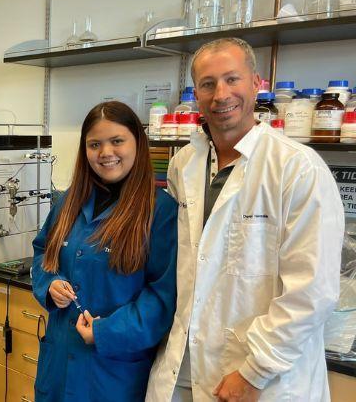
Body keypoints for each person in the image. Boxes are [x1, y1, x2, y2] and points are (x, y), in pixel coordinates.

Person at [146, 38, 344, 402]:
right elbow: (188, 265)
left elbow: (312, 291)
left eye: (232, 79)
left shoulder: (297, 168)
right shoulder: (183, 164)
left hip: (260, 377)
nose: (221, 94)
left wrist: (255, 373)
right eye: (208, 84)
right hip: (185, 366)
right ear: (197, 94)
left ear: (256, 84)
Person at [31, 101, 178, 401]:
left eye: (117, 141)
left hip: (112, 373)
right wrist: (49, 286)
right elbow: (43, 253)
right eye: (94, 144)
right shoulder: (69, 202)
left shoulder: (159, 211)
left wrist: (107, 332)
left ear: (138, 142)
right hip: (58, 366)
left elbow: (163, 296)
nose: (105, 153)